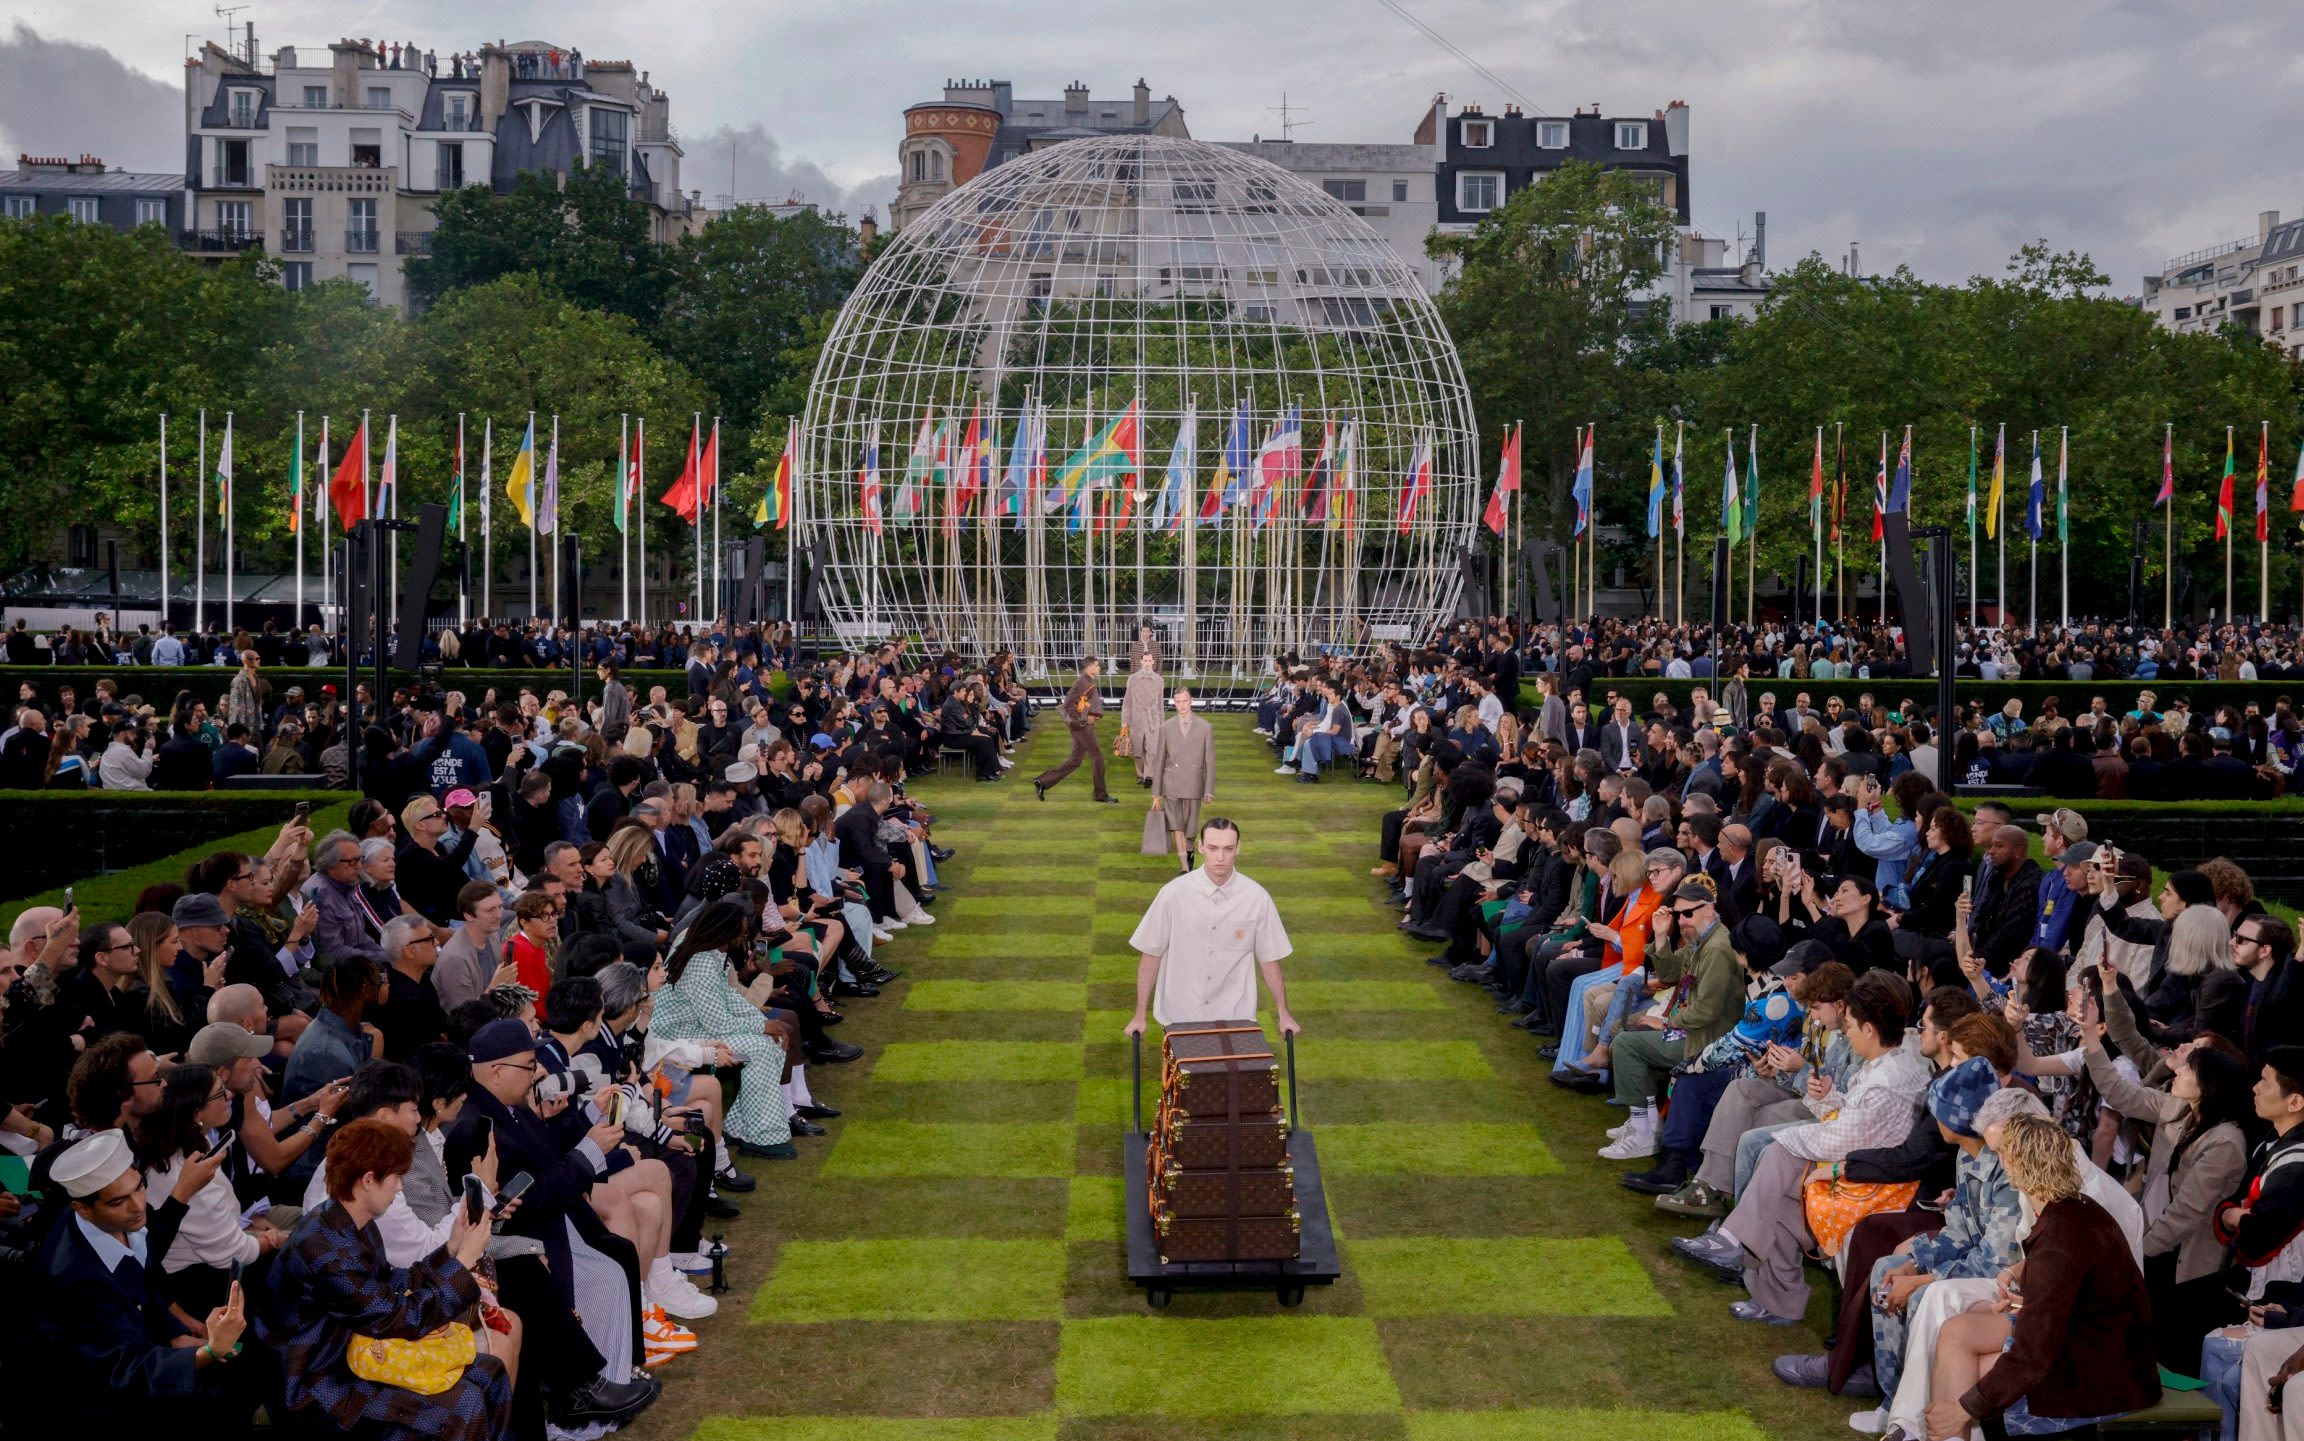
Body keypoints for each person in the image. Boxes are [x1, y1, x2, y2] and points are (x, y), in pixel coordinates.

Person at [259, 1116, 513, 1441]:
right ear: (368, 1180)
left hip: (350, 1359)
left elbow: (393, 1286)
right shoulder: (325, 1249)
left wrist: (451, 1248)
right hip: (317, 1386)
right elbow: (399, 1318)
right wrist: (463, 1264)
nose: (400, 1186)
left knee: (491, 1374)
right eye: (395, 1177)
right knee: (463, 1404)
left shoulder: (351, 1223)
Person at [1920, 1112, 2160, 1441]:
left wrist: (1962, 1410)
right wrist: (2026, 1305)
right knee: (1957, 1330)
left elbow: (2031, 1357)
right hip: (2094, 1348)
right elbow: (2079, 1302)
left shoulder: (2061, 1238)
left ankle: (1947, 1430)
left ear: (2018, 1165)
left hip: (2101, 1379)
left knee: (1972, 1375)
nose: (1998, 1159)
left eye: (2003, 1152)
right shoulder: (2073, 1208)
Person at [29, 1129, 259, 1433]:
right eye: (118, 1201)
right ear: (83, 1209)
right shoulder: (74, 1276)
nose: (138, 1206)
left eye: (140, 1187)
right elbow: (128, 1370)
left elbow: (145, 1280)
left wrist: (176, 1332)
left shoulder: (122, 1219)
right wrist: (209, 1351)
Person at [1123, 817, 1299, 1038]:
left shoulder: (1257, 898)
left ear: (1238, 849)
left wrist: (1283, 1012)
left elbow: (1269, 958)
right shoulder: (1172, 895)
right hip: (1179, 1017)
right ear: (1200, 847)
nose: (1220, 857)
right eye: (1213, 848)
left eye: (1228, 848)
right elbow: (1151, 953)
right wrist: (1139, 1014)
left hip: (1235, 1017)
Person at [1146, 685, 1216, 875]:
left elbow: (1209, 760)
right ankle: (1184, 865)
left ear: (1191, 701)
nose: (1182, 705)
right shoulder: (1166, 728)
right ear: (1174, 703)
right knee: (1176, 825)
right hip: (1172, 784)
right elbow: (1158, 761)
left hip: (1194, 785)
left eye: (1185, 701)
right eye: (1178, 702)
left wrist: (1209, 789)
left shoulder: (1205, 727)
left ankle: (1190, 849)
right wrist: (1156, 793)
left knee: (1191, 828)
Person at [1032, 657, 1115, 803]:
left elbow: (1081, 704)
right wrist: (1082, 719)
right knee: (1097, 757)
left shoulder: (1086, 681)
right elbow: (1068, 704)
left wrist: (1086, 717)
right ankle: (1100, 794)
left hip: (1080, 726)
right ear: (1088, 667)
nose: (1099, 668)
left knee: (1075, 761)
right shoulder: (1081, 682)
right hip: (1081, 727)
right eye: (1096, 665)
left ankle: (1043, 781)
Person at [1120, 649, 1164, 787]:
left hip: (1153, 719)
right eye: (1145, 661)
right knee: (1138, 750)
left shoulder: (1159, 680)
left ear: (1153, 662)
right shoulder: (1132, 679)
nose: (1147, 663)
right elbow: (1127, 702)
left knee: (1152, 749)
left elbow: (1160, 703)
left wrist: (1162, 724)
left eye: (1149, 661)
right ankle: (1140, 775)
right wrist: (1124, 723)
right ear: (1140, 662)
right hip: (1137, 718)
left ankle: (1148, 776)